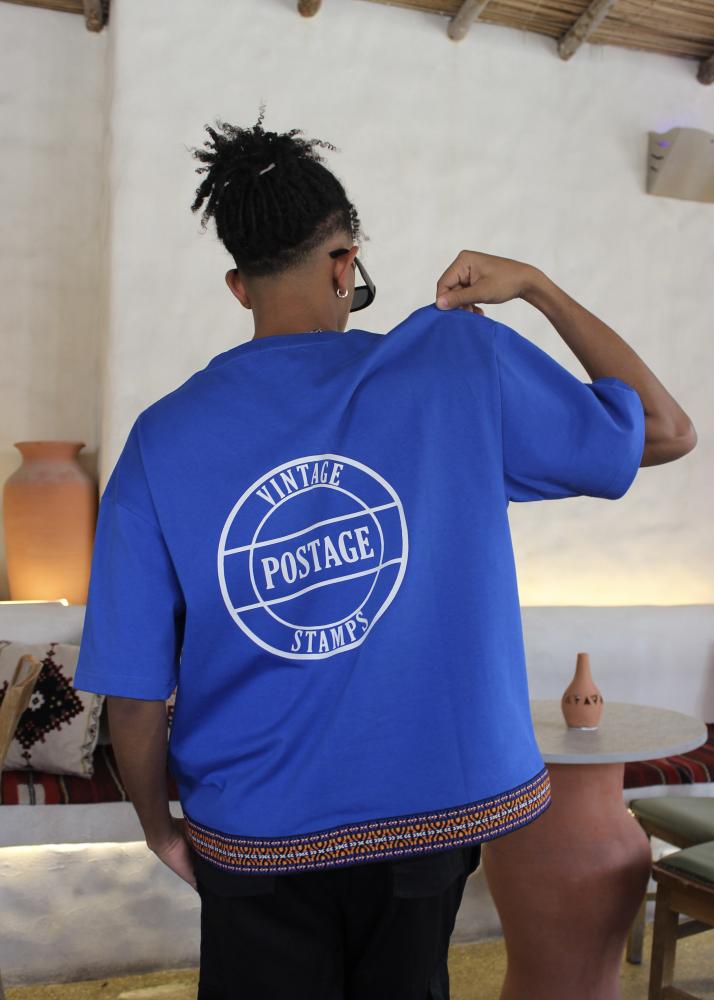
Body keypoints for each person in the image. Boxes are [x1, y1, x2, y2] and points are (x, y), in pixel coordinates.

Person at [73, 106, 696, 1000]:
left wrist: (156, 826)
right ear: (345, 264)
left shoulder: (160, 440)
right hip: (430, 815)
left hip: (253, 831)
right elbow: (667, 430)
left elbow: (134, 697)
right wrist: (536, 287)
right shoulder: (455, 368)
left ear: (239, 286)